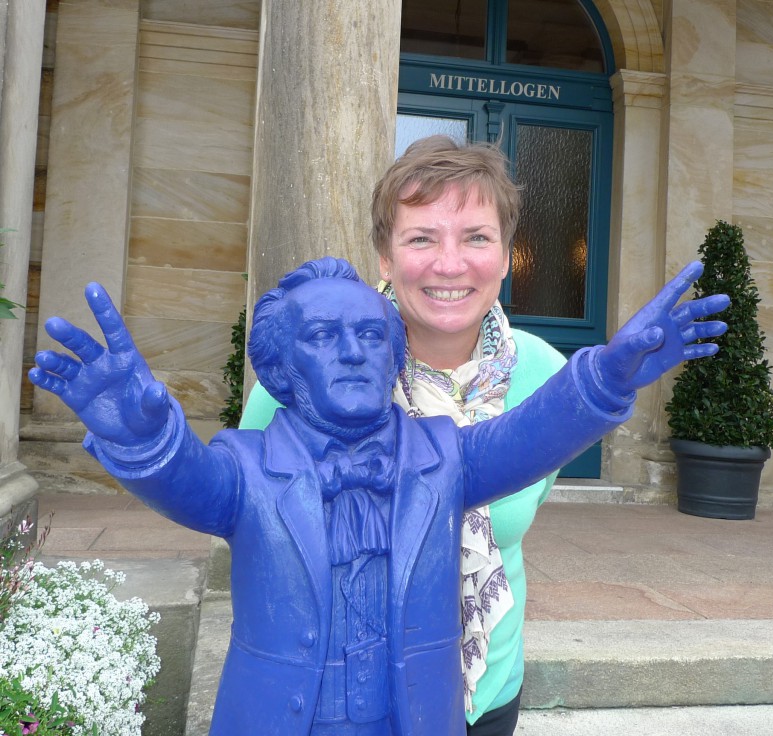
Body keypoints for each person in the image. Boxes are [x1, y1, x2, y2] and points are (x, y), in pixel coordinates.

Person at [30, 256, 727, 735]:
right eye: (323, 338)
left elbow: (532, 434)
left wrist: (607, 375)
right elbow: (186, 481)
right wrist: (146, 436)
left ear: (395, 356)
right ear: (280, 367)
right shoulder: (246, 466)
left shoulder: (444, 455)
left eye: (369, 334)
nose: (355, 350)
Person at [239, 136, 630, 731]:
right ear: (385, 259)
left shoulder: (548, 378)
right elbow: (252, 527)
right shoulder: (303, 375)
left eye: (476, 236)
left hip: (482, 692)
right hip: (335, 701)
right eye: (422, 237)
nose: (450, 264)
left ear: (505, 256)